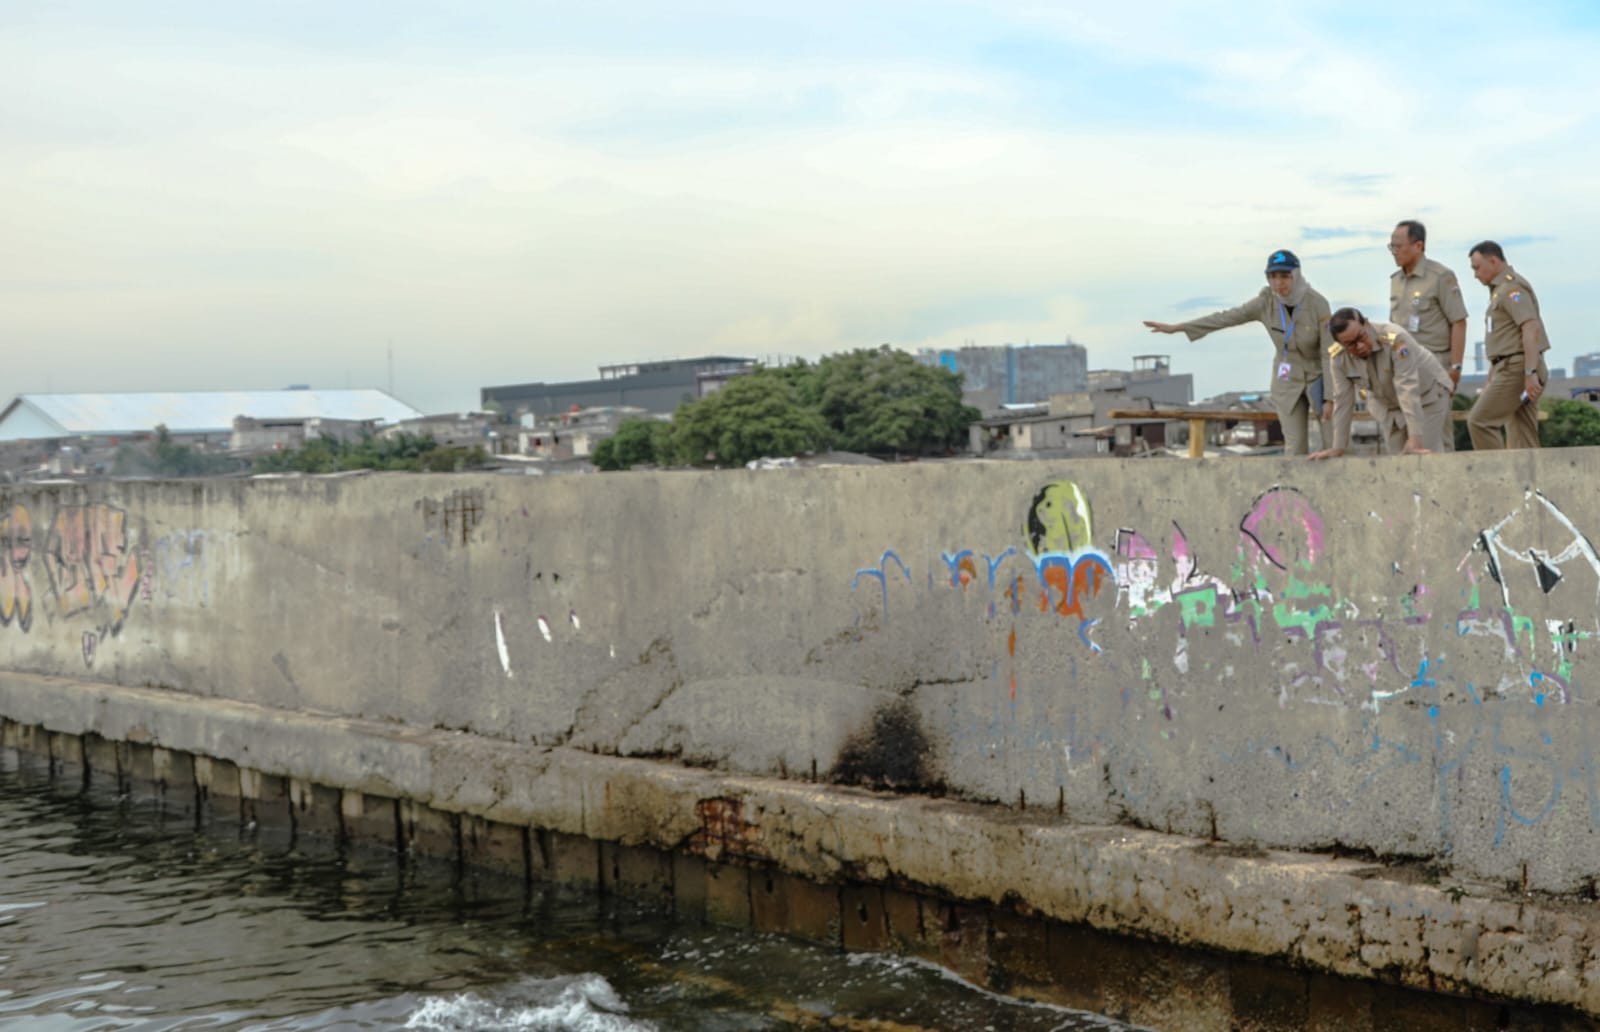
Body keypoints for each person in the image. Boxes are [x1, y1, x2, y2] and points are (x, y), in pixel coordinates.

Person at [1144, 250, 1333, 456]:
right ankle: (1295, 478)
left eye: (1285, 276)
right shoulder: (1265, 302)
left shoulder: (1318, 304)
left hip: (1318, 377)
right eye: (1273, 276)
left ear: (1296, 275)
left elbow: (1328, 353)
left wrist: (1330, 396)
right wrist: (1178, 328)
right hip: (1287, 379)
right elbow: (1226, 317)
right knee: (1295, 447)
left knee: (1332, 441)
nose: (1279, 283)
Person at [1308, 308, 1452, 459]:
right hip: (1389, 406)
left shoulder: (1395, 339)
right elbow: (1342, 401)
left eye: (1361, 337)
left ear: (1367, 324)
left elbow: (1407, 387)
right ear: (1341, 344)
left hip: (1427, 395)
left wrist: (1415, 437)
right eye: (1351, 344)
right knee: (1398, 461)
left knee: (1423, 455)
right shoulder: (1338, 358)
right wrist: (1337, 448)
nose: (1360, 346)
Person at [1388, 220, 1468, 450]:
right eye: (1391, 246)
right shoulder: (1395, 280)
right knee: (1409, 431)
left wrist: (1456, 367)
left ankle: (1446, 474)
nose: (1394, 252)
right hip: (1404, 365)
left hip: (1435, 364)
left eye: (1398, 246)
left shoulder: (1441, 276)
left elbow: (1458, 321)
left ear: (1418, 245)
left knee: (1439, 435)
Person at [1466, 241, 1549, 450]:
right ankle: (1529, 472)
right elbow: (1505, 340)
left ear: (1493, 261)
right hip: (1511, 366)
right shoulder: (1500, 290)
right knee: (1522, 434)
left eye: (1477, 267)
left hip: (1517, 368)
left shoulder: (1511, 288)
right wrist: (1493, 374)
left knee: (1480, 422)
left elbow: (1530, 327)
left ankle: (1497, 470)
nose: (1475, 275)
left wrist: (1530, 372)